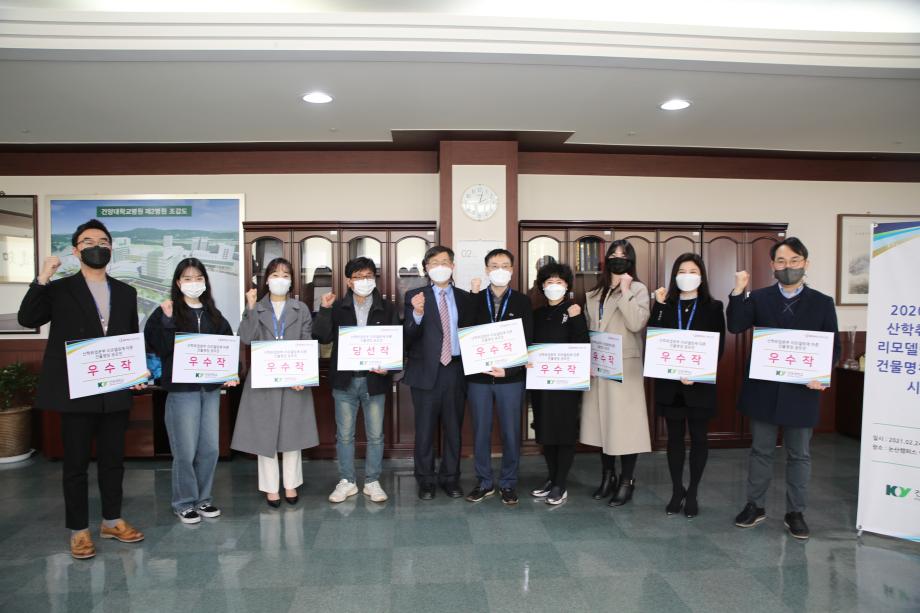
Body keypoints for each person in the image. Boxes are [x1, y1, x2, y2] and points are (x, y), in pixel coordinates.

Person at [18, 219, 146, 559]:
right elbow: (28, 319)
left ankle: (112, 520)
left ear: (111, 248)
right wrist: (42, 277)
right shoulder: (59, 289)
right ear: (75, 251)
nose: (96, 246)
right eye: (88, 242)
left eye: (103, 241)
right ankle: (78, 530)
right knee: (75, 464)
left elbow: (129, 337)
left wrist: (136, 372)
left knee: (113, 461)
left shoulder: (126, 292)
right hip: (76, 389)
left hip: (114, 388)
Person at [728, 237, 839, 540]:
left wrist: (821, 375)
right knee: (760, 451)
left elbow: (833, 347)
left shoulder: (822, 302)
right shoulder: (759, 298)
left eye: (794, 261)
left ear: (805, 263)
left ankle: (796, 512)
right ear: (772, 265)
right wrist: (738, 291)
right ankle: (755, 505)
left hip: (803, 391)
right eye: (781, 261)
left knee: (799, 455)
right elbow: (735, 326)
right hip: (764, 389)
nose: (788, 266)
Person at [145, 258, 237, 524]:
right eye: (187, 278)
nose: (193, 283)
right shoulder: (166, 311)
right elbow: (158, 347)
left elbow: (227, 348)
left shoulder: (214, 315)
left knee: (209, 448)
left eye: (198, 278)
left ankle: (203, 499)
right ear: (178, 282)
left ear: (205, 282)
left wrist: (231, 373)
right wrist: (167, 320)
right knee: (185, 450)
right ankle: (184, 502)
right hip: (182, 391)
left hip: (210, 391)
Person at [232, 257, 319, 508]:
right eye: (275, 275)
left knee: (293, 434)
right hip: (264, 379)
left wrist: (303, 376)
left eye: (285, 275)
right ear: (266, 279)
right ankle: (271, 488)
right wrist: (250, 308)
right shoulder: (257, 307)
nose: (280, 279)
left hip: (294, 380)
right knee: (264, 434)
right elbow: (246, 338)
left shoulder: (300, 308)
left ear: (291, 281)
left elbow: (307, 342)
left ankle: (291, 484)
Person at [312, 256, 400, 504]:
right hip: (345, 381)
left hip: (375, 381)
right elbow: (322, 337)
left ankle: (372, 481)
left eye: (368, 276)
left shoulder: (387, 308)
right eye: (358, 277)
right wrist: (325, 309)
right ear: (349, 282)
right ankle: (347, 481)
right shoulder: (337, 306)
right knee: (344, 435)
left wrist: (389, 367)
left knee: (375, 435)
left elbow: (397, 343)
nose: (364, 281)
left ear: (375, 279)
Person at [650, 253, 725, 518]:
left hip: (699, 385)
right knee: (674, 440)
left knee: (699, 438)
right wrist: (659, 305)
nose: (687, 276)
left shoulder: (713, 307)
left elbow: (718, 346)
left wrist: (698, 372)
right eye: (682, 271)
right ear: (675, 276)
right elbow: (654, 338)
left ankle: (692, 491)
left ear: (701, 276)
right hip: (671, 386)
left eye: (693, 271)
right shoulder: (665, 304)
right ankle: (676, 490)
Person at [581, 239, 651, 506]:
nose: (617, 258)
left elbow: (636, 323)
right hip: (599, 365)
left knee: (626, 426)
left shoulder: (638, 289)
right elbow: (588, 329)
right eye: (613, 254)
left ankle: (626, 480)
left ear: (630, 261)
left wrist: (625, 291)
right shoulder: (594, 292)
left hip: (625, 367)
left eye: (623, 255)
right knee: (603, 424)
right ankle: (607, 476)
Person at [403, 245, 474, 500]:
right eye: (434, 263)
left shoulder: (465, 298)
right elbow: (407, 337)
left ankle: (450, 479)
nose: (440, 266)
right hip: (425, 371)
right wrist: (417, 314)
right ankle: (425, 480)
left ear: (453, 266)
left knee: (453, 429)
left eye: (444, 262)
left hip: (455, 369)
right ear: (426, 268)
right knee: (424, 430)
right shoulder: (415, 296)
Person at [463, 248, 533, 506]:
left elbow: (528, 339)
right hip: (479, 379)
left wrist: (510, 370)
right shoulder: (475, 298)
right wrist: (472, 296)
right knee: (480, 431)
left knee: (511, 433)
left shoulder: (522, 301)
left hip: (510, 380)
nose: (499, 270)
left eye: (505, 265)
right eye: (494, 265)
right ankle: (484, 482)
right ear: (486, 270)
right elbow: (466, 330)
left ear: (512, 270)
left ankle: (508, 483)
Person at [529, 262, 588, 505]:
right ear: (542, 286)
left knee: (563, 433)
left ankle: (560, 484)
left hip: (566, 384)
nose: (554, 286)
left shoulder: (573, 310)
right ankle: (552, 478)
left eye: (559, 282)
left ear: (567, 286)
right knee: (546, 432)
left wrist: (576, 319)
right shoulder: (537, 314)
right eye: (549, 282)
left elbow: (583, 345)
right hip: (541, 383)